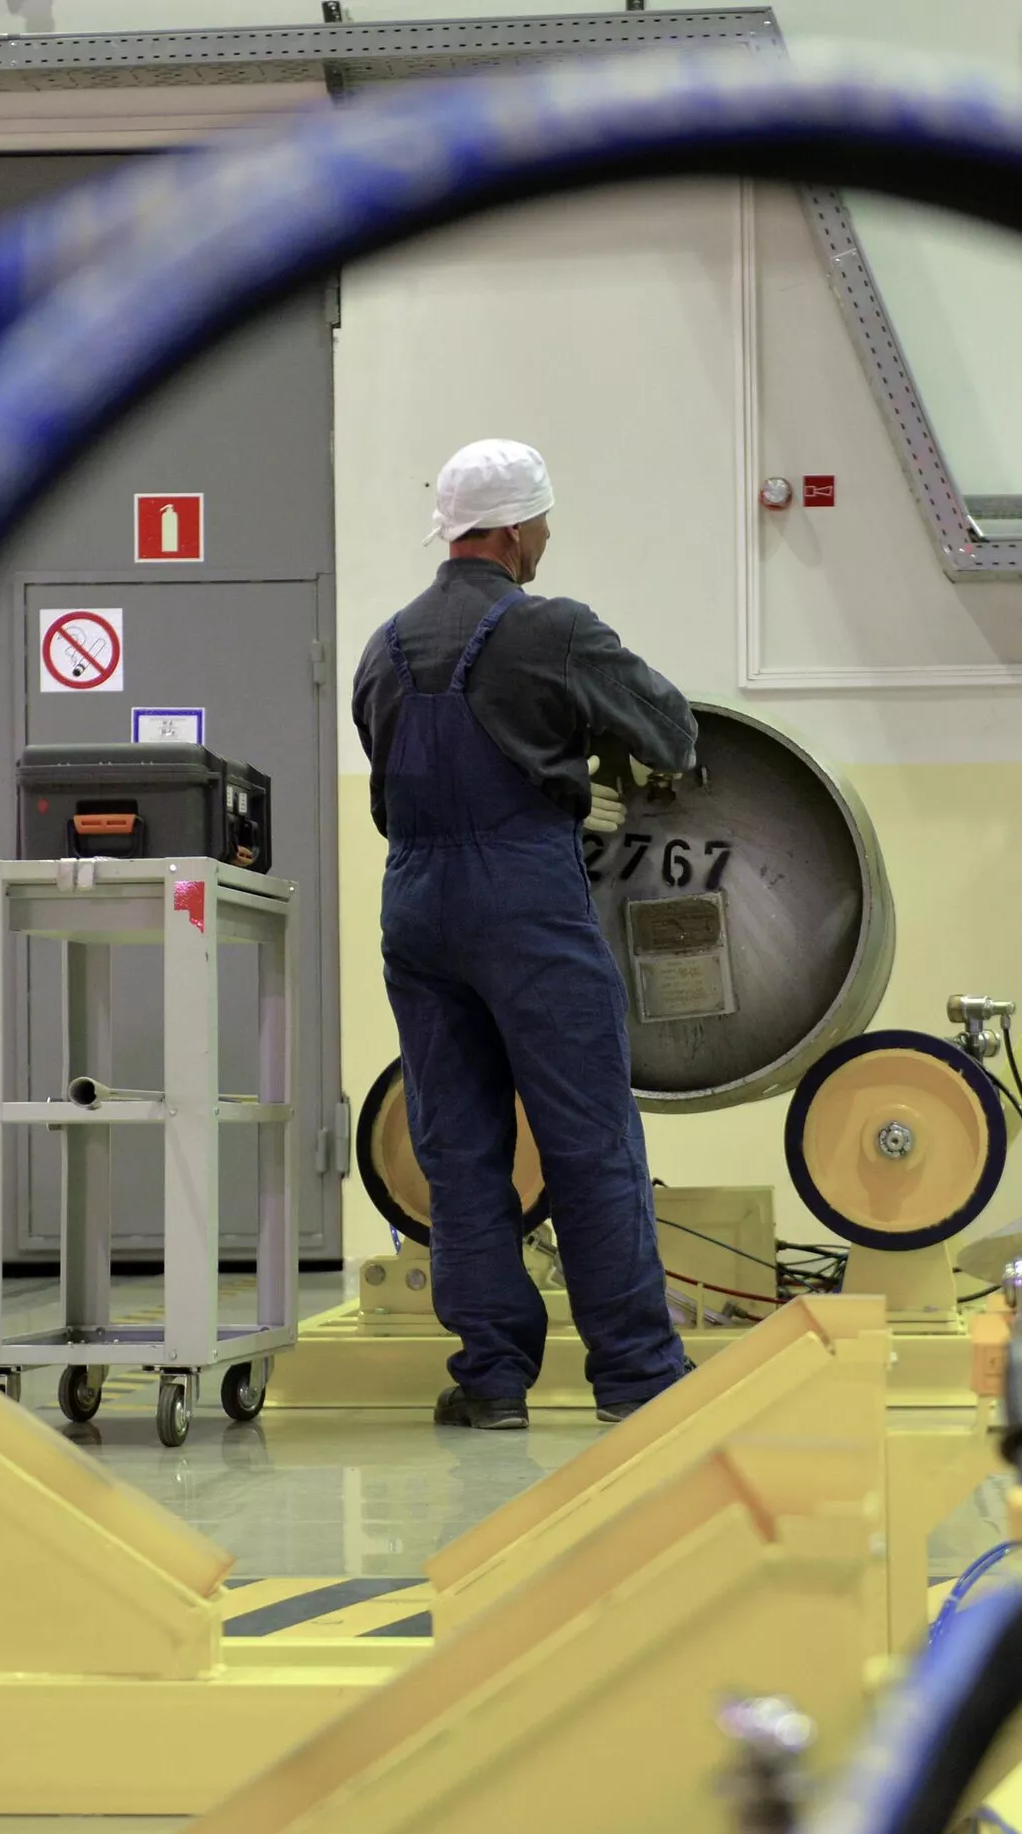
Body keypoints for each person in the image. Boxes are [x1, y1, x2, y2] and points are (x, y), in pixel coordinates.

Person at [352, 438, 696, 1430]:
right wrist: (582, 761)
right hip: (524, 901)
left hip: (415, 903)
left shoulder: (380, 647)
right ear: (511, 531)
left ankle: (492, 1377)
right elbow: (672, 732)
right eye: (541, 523)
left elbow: (388, 791)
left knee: (458, 1148)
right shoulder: (554, 629)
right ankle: (635, 1372)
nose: (546, 539)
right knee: (588, 1137)